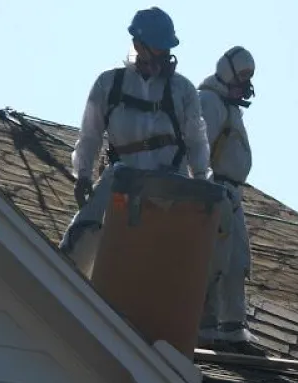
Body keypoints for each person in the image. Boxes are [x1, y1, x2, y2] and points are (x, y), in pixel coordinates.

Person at [58, 7, 211, 277]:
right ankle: (60, 295)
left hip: (168, 184)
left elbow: (197, 139)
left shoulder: (182, 90)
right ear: (138, 45)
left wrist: (200, 182)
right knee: (81, 236)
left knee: (171, 260)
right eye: (158, 47)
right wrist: (82, 175)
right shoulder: (109, 84)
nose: (164, 55)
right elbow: (90, 134)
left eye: (167, 48)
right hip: (121, 179)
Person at [196, 46, 261, 355]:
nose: (245, 83)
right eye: (242, 76)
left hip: (231, 195)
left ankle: (233, 328)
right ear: (226, 74)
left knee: (236, 262)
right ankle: (203, 326)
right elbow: (198, 151)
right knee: (212, 261)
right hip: (214, 191)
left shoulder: (229, 106)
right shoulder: (208, 102)